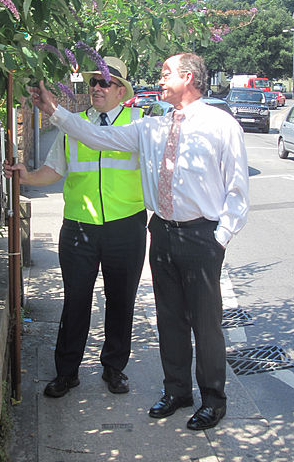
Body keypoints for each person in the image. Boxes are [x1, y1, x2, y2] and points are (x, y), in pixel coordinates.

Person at [29, 52, 249, 431]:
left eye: (166, 73)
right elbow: (97, 136)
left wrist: (220, 236)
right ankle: (177, 391)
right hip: (161, 231)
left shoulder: (221, 124)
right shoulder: (153, 127)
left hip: (201, 235)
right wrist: (56, 112)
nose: (159, 79)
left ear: (189, 78)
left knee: (205, 322)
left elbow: (237, 188)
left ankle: (213, 399)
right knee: (169, 320)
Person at [5, 57, 147, 398]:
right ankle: (67, 372)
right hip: (79, 228)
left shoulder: (139, 122)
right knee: (76, 301)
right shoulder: (74, 124)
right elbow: (54, 170)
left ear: (120, 91)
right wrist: (27, 175)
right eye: (92, 82)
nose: (95, 88)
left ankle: (114, 368)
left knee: (121, 300)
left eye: (103, 82)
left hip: (125, 226)